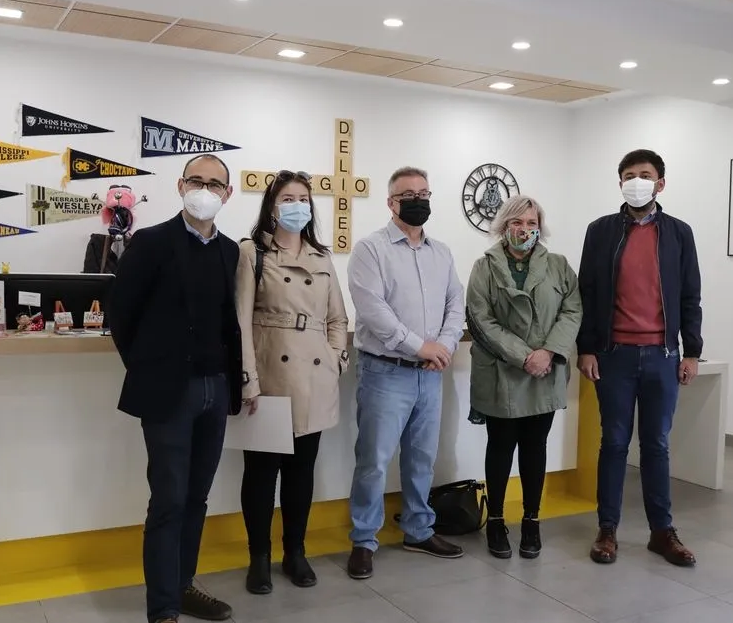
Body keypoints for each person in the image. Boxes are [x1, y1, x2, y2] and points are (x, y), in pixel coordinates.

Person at [109, 154, 242, 623]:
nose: (204, 190)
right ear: (181, 185)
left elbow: (231, 323)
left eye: (215, 184)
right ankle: (162, 606)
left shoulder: (230, 251)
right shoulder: (150, 243)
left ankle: (185, 585)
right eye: (196, 181)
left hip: (215, 390)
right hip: (170, 393)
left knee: (197, 497)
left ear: (228, 194)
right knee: (168, 499)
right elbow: (120, 317)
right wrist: (152, 371)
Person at [576, 149, 703, 568]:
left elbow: (689, 296)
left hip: (663, 357)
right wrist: (587, 347)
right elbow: (588, 294)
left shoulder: (679, 234)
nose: (636, 181)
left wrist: (693, 351)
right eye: (629, 175)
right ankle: (607, 529)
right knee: (613, 443)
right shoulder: (600, 231)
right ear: (620, 183)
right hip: (613, 357)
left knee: (656, 445)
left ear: (660, 183)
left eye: (644, 175)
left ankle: (661, 532)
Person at [345, 166, 466, 580]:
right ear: (391, 201)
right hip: (386, 372)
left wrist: (445, 347)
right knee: (374, 461)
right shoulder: (370, 249)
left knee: (422, 460)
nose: (417, 199)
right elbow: (373, 310)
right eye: (407, 194)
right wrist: (420, 345)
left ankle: (418, 529)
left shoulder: (442, 252)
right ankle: (364, 540)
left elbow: (455, 303)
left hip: (431, 375)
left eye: (424, 193)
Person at [235, 170, 349, 594]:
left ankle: (295, 552)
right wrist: (249, 378)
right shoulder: (252, 252)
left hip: (315, 377)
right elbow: (240, 320)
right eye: (287, 198)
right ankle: (259, 557)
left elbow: (337, 318)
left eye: (303, 198)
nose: (296, 205)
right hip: (269, 375)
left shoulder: (322, 257)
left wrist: (336, 359)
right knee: (262, 475)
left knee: (302, 473)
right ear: (271, 205)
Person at [465, 195, 582, 560]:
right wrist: (524, 356)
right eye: (518, 222)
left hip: (545, 372)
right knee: (500, 448)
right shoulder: (484, 267)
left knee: (535, 448)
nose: (525, 230)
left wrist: (547, 352)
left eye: (532, 224)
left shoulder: (559, 266)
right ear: (503, 226)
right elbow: (480, 319)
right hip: (501, 371)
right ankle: (497, 521)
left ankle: (531, 520)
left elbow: (573, 309)